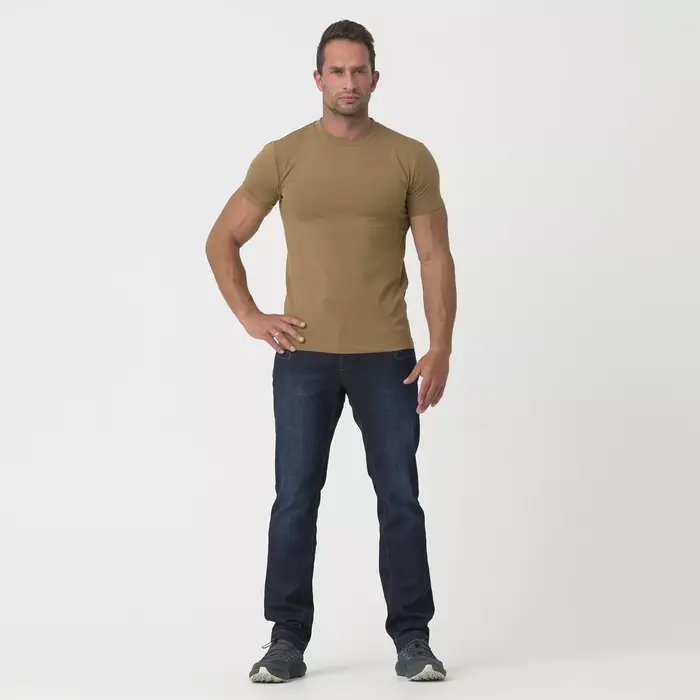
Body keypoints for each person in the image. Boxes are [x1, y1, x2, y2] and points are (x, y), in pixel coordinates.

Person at [205, 19, 457, 683]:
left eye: (359, 71)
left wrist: (441, 346)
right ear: (318, 79)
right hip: (305, 359)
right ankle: (286, 640)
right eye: (337, 71)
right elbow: (222, 238)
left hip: (388, 357)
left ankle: (414, 639)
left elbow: (434, 255)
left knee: (400, 498)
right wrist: (250, 315)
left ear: (375, 78)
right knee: (295, 498)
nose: (349, 82)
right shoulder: (283, 155)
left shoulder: (409, 157)